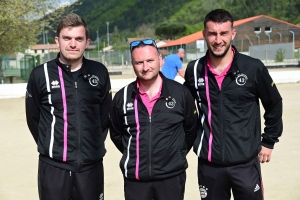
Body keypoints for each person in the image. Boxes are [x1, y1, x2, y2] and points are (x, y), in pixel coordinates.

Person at [184, 9, 283, 200]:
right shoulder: (194, 70)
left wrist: (269, 140)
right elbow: (185, 109)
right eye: (212, 33)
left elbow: (274, 103)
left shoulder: (253, 67)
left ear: (233, 34)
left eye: (223, 33)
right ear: (204, 34)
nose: (218, 40)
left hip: (245, 163)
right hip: (209, 164)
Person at [25, 13, 112, 200]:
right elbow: (34, 119)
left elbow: (104, 117)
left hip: (91, 167)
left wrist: (91, 146)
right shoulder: (41, 75)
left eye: (79, 39)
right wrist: (52, 146)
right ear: (58, 40)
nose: (73, 44)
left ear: (86, 42)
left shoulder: (99, 72)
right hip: (54, 168)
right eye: (67, 38)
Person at [109, 39, 198, 200]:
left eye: (150, 60)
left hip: (171, 177)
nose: (145, 67)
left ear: (160, 60)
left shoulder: (181, 93)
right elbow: (116, 134)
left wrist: (175, 153)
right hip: (135, 179)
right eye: (139, 62)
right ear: (132, 64)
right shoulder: (122, 97)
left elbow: (191, 129)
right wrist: (136, 154)